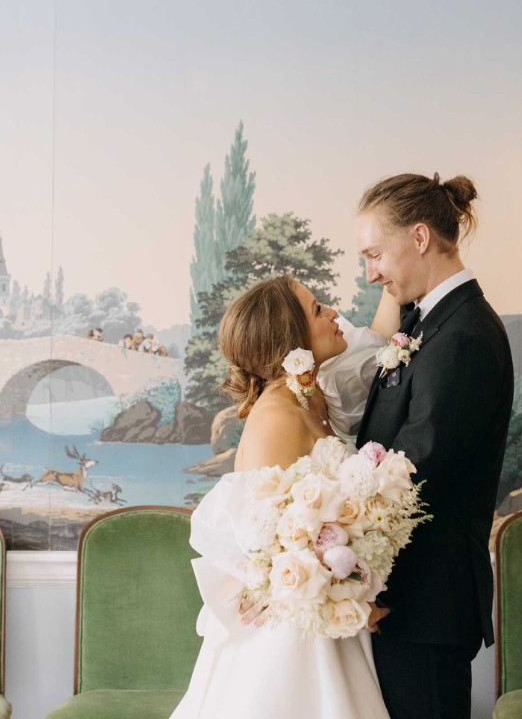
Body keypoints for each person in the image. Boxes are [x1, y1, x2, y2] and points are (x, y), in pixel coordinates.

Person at [170, 274, 398, 719]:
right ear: (290, 340)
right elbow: (270, 550)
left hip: (329, 628)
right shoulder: (276, 416)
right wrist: (345, 593)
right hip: (289, 641)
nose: (334, 314)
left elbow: (380, 338)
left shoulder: (309, 394)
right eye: (318, 310)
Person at [354, 174, 514, 719]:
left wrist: (346, 570)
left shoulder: (463, 336)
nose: (371, 271)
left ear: (419, 238)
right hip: (410, 603)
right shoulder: (433, 321)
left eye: (375, 253)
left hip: (426, 603)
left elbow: (415, 472)